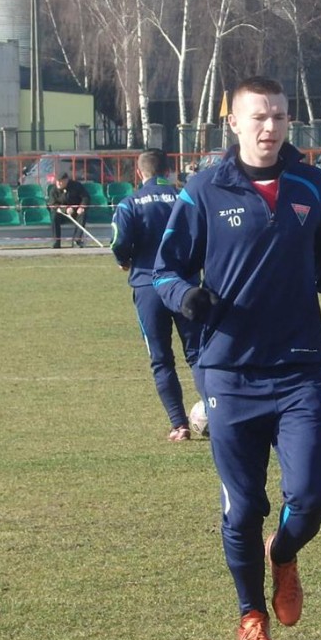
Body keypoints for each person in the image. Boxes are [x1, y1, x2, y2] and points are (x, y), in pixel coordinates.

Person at [153, 76, 321, 640]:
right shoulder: (204, 189)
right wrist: (185, 297)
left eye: (280, 116)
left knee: (311, 497)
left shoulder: (311, 184)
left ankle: (283, 554)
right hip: (229, 372)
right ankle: (251, 615)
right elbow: (165, 270)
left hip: (299, 368)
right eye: (259, 116)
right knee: (242, 509)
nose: (270, 127)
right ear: (235, 123)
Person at [110, 149, 201, 441]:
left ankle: (179, 424)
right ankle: (220, 413)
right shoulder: (187, 197)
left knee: (161, 358)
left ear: (140, 173)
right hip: (185, 286)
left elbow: (119, 240)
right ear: (169, 171)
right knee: (199, 355)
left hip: (148, 286)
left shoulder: (130, 203)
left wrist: (123, 259)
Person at [47, 173, 91, 248]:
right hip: (61, 213)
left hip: (76, 212)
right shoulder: (53, 190)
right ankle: (56, 241)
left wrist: (81, 207)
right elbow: (53, 204)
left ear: (66, 180)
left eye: (61, 181)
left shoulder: (76, 186)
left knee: (83, 215)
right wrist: (65, 209)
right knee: (54, 216)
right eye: (57, 181)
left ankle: (77, 240)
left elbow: (86, 197)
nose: (58, 183)